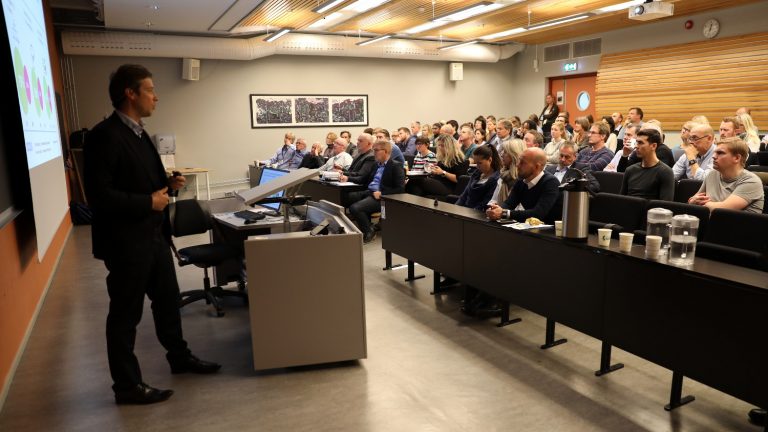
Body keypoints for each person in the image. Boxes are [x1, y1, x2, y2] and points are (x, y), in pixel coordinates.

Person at [83, 64, 220, 406]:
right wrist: (148, 201)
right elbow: (99, 196)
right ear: (130, 94)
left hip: (154, 236)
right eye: (150, 90)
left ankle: (179, 358)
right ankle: (127, 386)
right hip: (126, 243)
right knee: (125, 315)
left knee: (168, 301)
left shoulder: (140, 134)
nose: (156, 97)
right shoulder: (104, 135)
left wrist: (167, 186)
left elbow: (142, 183)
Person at [347, 140, 405, 243]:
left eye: (376, 150)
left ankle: (369, 231)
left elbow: (400, 189)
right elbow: (363, 179)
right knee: (346, 197)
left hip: (382, 196)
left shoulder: (395, 166)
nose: (374, 153)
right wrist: (347, 178)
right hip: (369, 192)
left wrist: (382, 194)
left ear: (385, 151)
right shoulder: (376, 164)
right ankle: (367, 226)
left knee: (355, 208)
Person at [688, 137, 764, 213]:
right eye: (714, 152)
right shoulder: (712, 174)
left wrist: (699, 204)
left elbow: (723, 210)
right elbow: (694, 199)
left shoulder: (751, 181)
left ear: (737, 158)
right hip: (710, 220)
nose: (713, 156)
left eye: (720, 153)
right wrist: (692, 201)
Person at [486, 148, 560, 223]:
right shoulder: (521, 180)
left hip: (551, 228)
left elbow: (538, 214)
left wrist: (505, 213)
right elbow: (509, 203)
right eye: (519, 160)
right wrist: (496, 210)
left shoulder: (551, 183)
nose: (517, 165)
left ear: (537, 167)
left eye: (522, 162)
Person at [406, 134, 468, 198]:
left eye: (442, 145)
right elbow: (437, 173)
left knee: (420, 180)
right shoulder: (442, 158)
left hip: (449, 187)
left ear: (450, 146)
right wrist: (433, 170)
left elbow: (458, 180)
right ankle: (410, 201)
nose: (440, 148)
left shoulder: (460, 160)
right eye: (439, 145)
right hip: (438, 183)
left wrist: (443, 172)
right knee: (415, 184)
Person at [619, 129, 675, 201]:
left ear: (653, 146)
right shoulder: (630, 170)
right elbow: (621, 199)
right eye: (636, 142)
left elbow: (665, 204)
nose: (636, 146)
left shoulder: (665, 172)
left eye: (640, 143)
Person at [456, 145, 501, 210]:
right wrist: (455, 208)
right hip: (465, 209)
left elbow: (485, 203)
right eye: (476, 163)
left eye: (480, 163)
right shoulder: (477, 173)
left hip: (477, 213)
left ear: (490, 160)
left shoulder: (495, 179)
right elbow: (464, 196)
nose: (477, 166)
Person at [489, 138, 525, 205]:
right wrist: (491, 207)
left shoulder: (524, 180)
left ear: (514, 155)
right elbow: (494, 200)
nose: (501, 155)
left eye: (505, 152)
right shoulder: (503, 175)